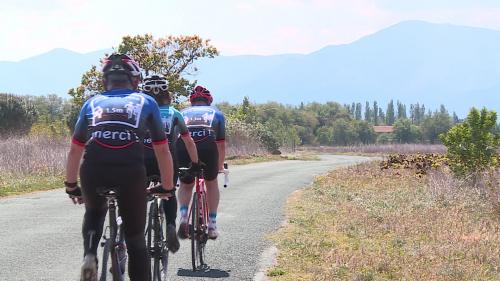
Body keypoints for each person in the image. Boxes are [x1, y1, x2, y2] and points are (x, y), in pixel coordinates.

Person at [64, 54, 175, 281]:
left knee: (94, 211)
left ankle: (90, 255)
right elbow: (163, 151)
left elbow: (75, 149)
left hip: (93, 169)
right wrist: (166, 186)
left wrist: (71, 185)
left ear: (106, 80)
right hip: (130, 171)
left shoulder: (92, 103)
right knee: (135, 240)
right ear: (134, 80)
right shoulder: (147, 102)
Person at [141, 75, 199, 253]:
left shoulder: (139, 111)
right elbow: (188, 141)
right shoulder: (175, 113)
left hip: (142, 159)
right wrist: (195, 163)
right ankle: (171, 227)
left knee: (135, 196)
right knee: (169, 192)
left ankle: (126, 238)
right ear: (167, 94)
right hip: (168, 160)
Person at [177, 85, 226, 240]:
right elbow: (221, 144)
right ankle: (212, 224)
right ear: (209, 101)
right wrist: (219, 166)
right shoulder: (217, 113)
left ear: (192, 102)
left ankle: (184, 217)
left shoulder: (182, 113)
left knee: (186, 184)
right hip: (207, 146)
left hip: (183, 147)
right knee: (211, 183)